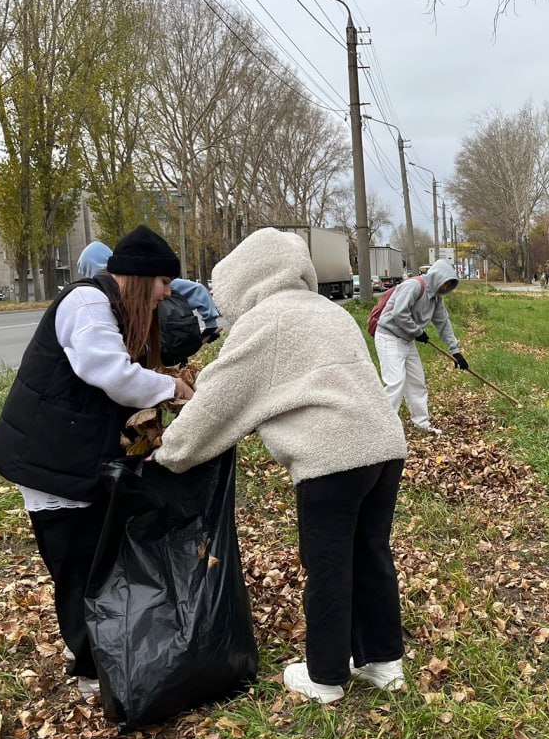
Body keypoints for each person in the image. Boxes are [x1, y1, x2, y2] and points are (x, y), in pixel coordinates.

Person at [155, 228, 409, 705]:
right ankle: (383, 661)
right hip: (385, 447)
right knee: (371, 553)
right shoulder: (329, 311)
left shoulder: (266, 321)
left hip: (332, 458)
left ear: (243, 281)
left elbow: (217, 401)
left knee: (328, 565)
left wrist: (170, 452)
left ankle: (326, 676)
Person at [0, 225, 193, 698]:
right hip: (48, 458)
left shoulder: (113, 306)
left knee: (94, 552)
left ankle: (95, 645)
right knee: (73, 561)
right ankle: (89, 669)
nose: (166, 294)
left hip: (75, 455)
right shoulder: (87, 305)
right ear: (139, 277)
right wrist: (170, 389)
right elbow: (109, 373)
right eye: (163, 283)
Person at [374, 257, 467, 436]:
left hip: (407, 340)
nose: (446, 288)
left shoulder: (436, 298)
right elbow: (399, 313)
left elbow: (443, 324)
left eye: (449, 285)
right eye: (445, 283)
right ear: (437, 277)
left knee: (417, 382)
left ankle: (421, 424)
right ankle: (385, 430)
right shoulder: (414, 286)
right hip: (389, 336)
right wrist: (418, 332)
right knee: (396, 382)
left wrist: (456, 351)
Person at [79, 241, 222, 351]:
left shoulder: (143, 280)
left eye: (86, 270)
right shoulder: (99, 296)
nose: (167, 292)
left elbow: (196, 289)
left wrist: (210, 323)